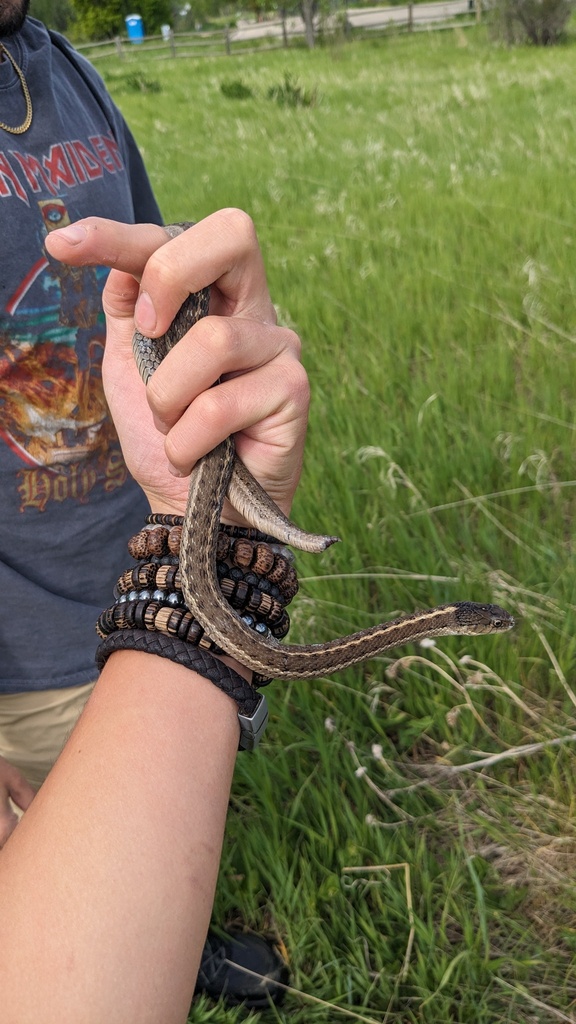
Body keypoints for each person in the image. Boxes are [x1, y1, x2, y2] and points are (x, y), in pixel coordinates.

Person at [0, 1, 292, 1005]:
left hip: (132, 569)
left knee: (148, 814)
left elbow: (154, 269)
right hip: (20, 632)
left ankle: (178, 935)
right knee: (44, 838)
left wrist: (202, 310)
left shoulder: (65, 71)